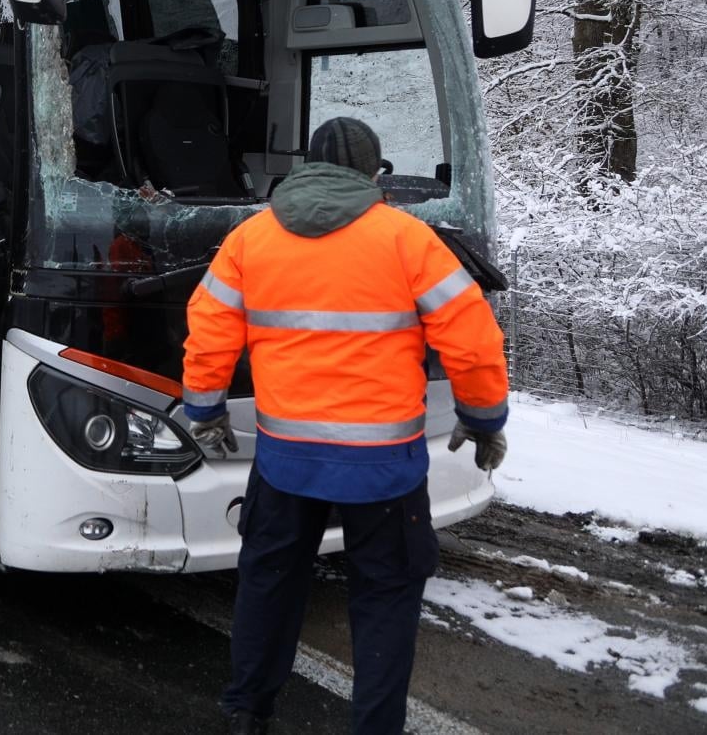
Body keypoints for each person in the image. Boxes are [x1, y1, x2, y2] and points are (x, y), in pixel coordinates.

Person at [181, 117, 509, 735]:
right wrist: (483, 418)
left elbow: (209, 332)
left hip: (284, 463)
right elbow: (473, 341)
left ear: (307, 167)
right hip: (384, 469)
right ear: (373, 173)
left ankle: (247, 713)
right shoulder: (408, 240)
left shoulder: (251, 240)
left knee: (269, 583)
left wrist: (205, 411)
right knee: (385, 598)